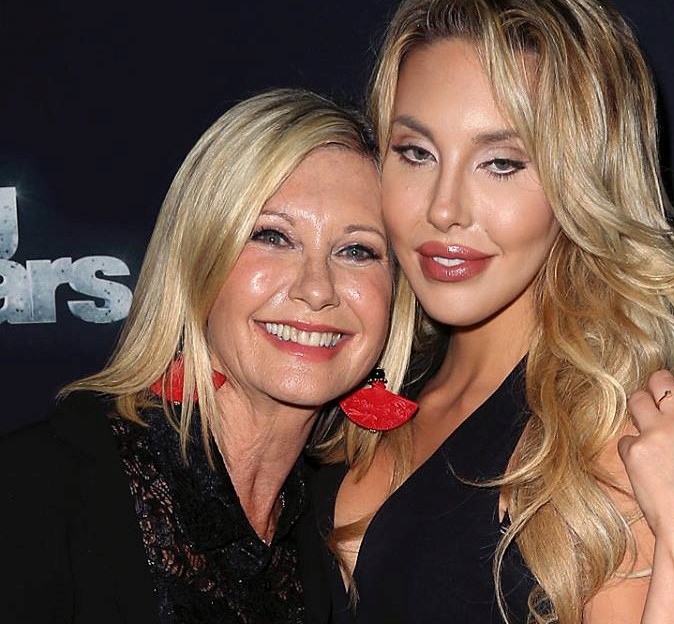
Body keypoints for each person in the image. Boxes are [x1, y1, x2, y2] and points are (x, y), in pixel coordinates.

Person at [311, 1, 674, 623]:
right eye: (416, 152)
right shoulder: (357, 386)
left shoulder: (608, 444)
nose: (444, 208)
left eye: (501, 163)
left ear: (582, 182)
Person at [0, 88, 416, 624]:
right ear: (197, 260)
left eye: (357, 250)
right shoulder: (37, 493)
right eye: (273, 236)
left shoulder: (336, 535)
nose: (317, 289)